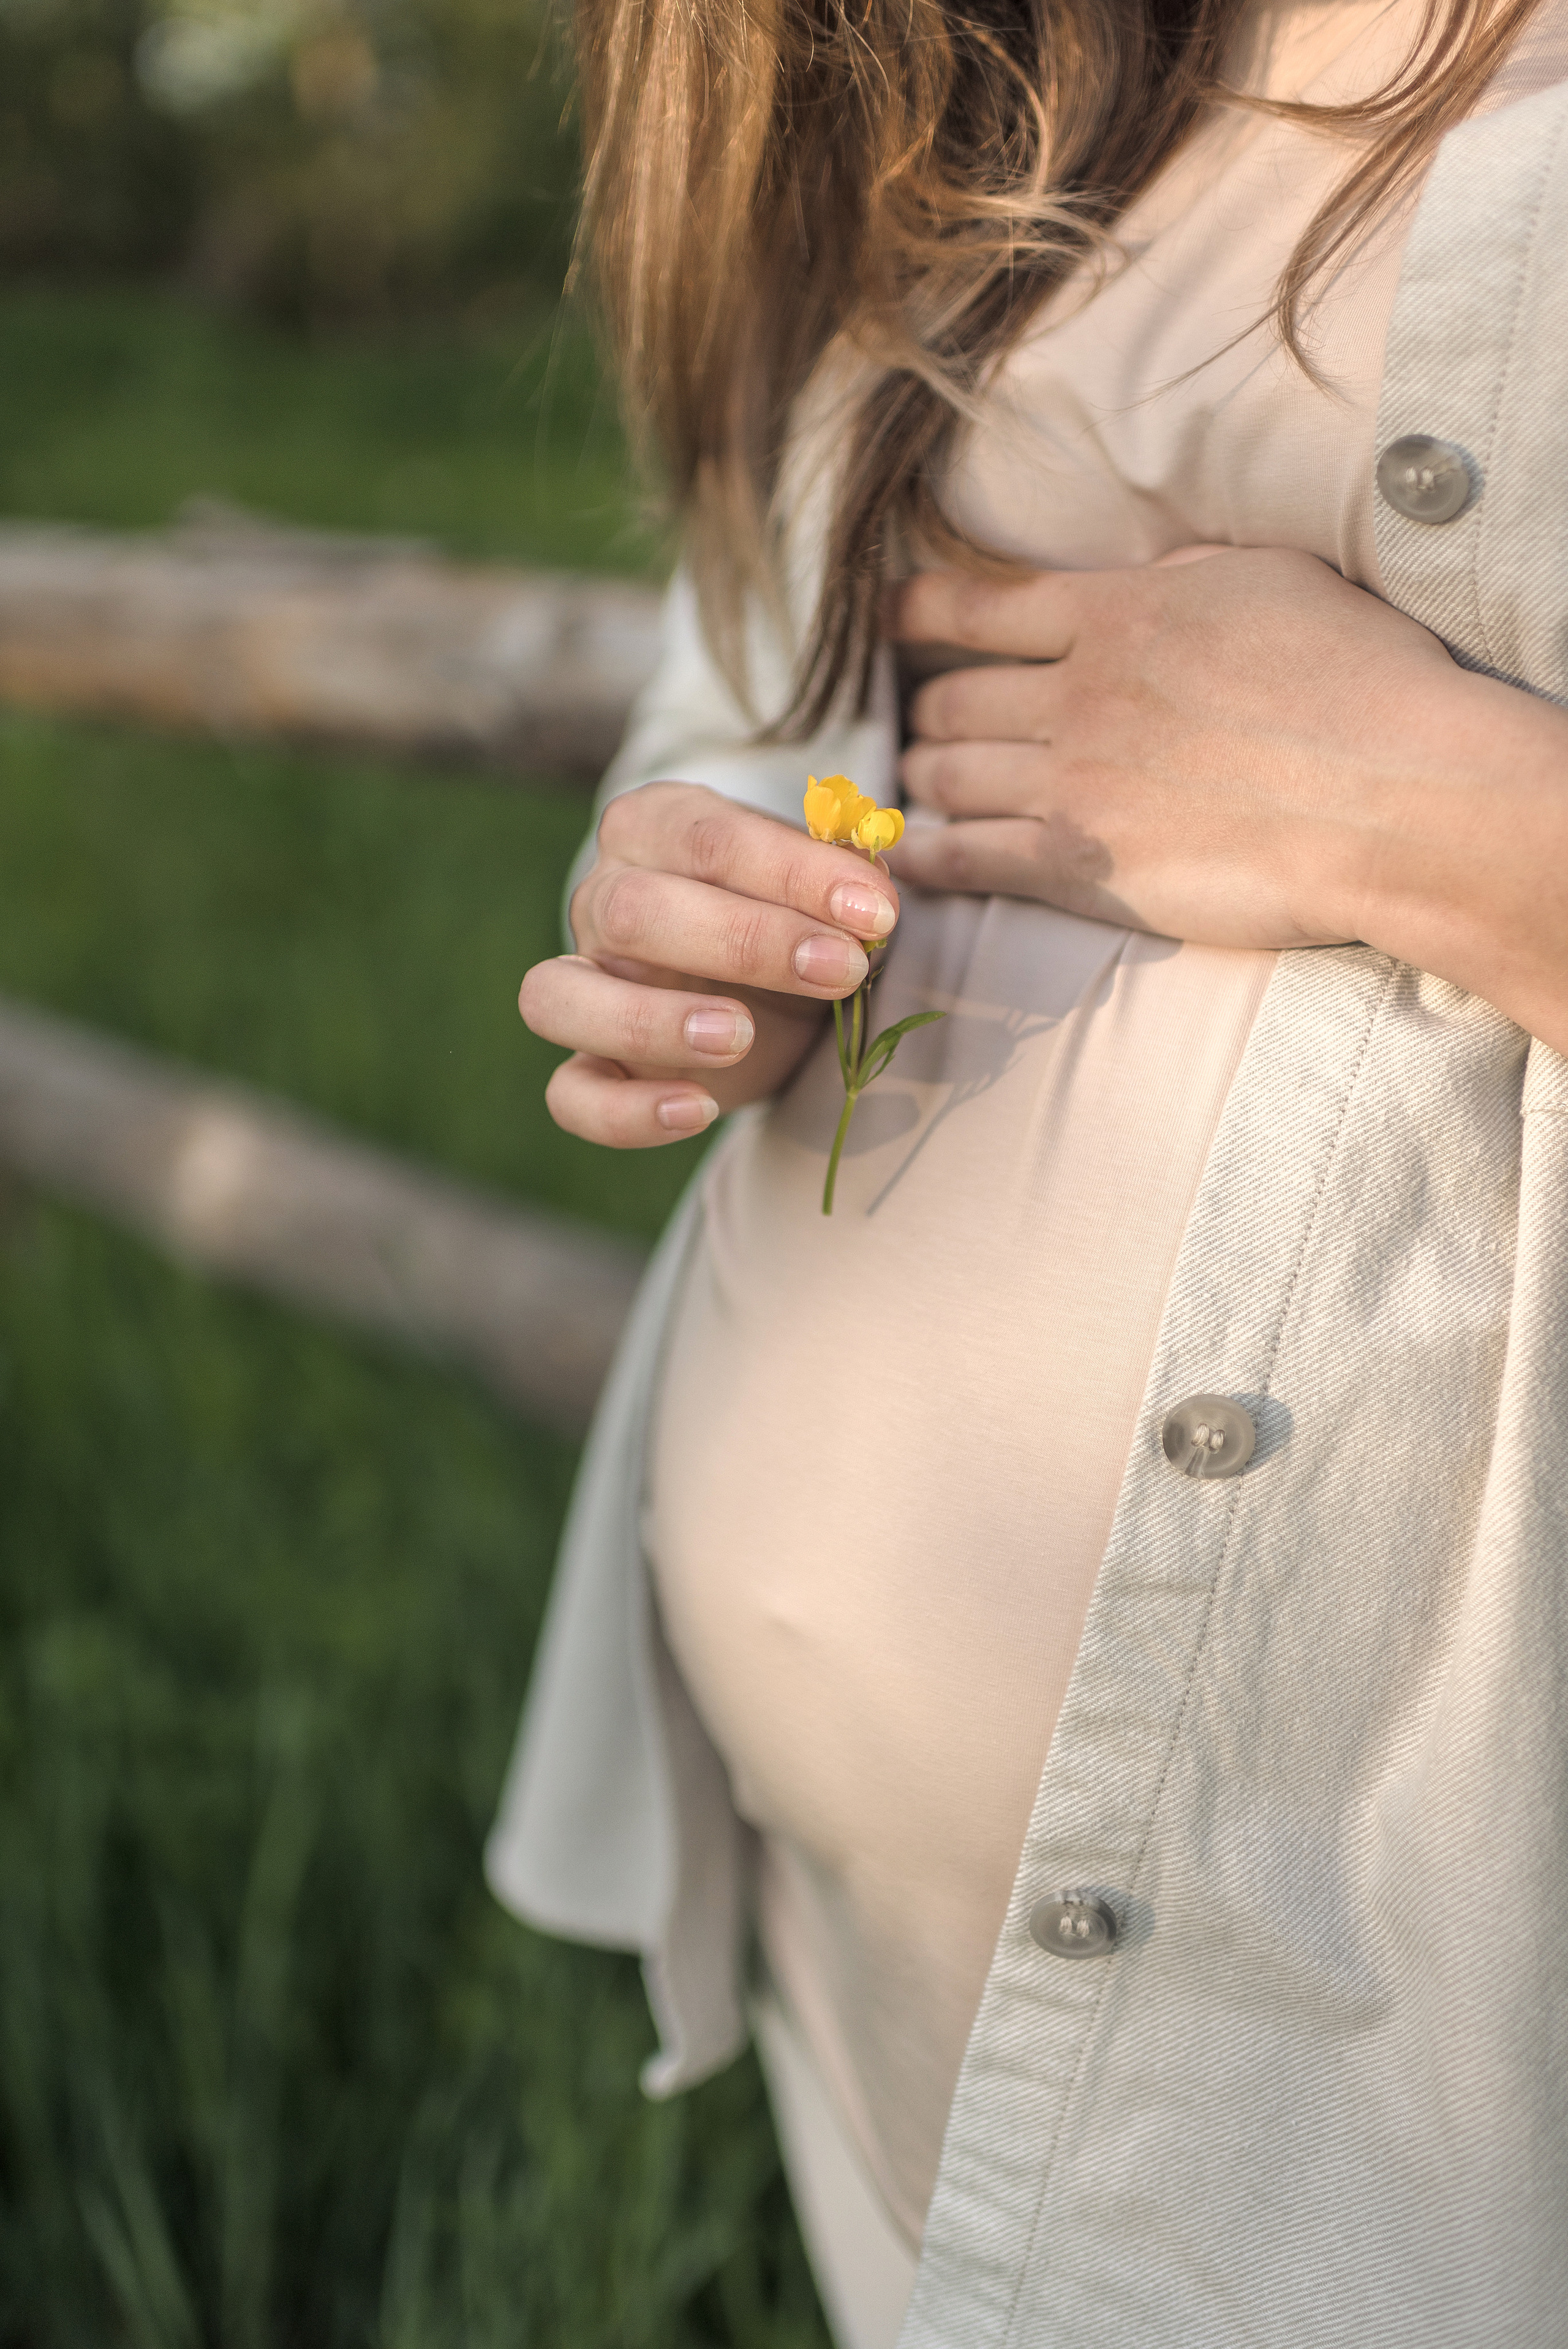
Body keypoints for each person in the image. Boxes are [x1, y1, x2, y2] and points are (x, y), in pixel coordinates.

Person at [486, 0, 1568, 2336]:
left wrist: (1468, 828)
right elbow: (765, 669)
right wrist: (706, 889)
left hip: (1428, 2044)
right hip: (893, 2010)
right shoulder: (981, 54)